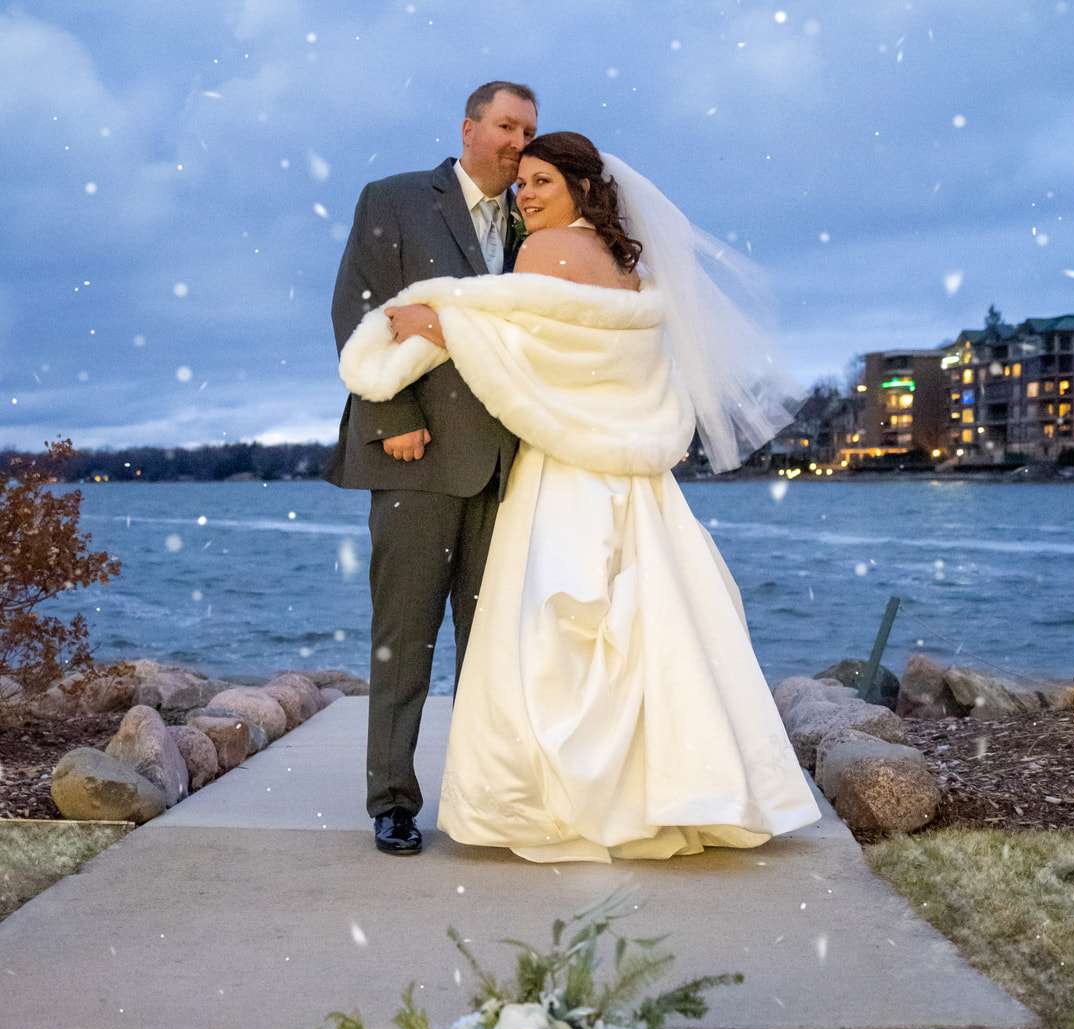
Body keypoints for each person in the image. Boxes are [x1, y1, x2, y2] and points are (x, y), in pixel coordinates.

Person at [339, 131, 822, 862]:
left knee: (550, 635)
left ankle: (559, 800)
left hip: (562, 469)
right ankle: (676, 790)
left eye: (540, 179)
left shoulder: (542, 251)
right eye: (521, 177)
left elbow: (534, 352)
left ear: (580, 188)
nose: (525, 190)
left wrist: (439, 321)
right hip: (628, 476)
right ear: (470, 129)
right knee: (651, 634)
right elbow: (587, 352)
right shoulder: (622, 261)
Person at [324, 81, 538, 856]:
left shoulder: (536, 219)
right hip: (416, 458)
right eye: (507, 126)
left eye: (529, 131)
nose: (519, 142)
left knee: (492, 650)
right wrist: (392, 420)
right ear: (470, 128)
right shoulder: (395, 198)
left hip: (509, 467)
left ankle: (489, 801)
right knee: (404, 641)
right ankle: (392, 801)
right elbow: (359, 312)